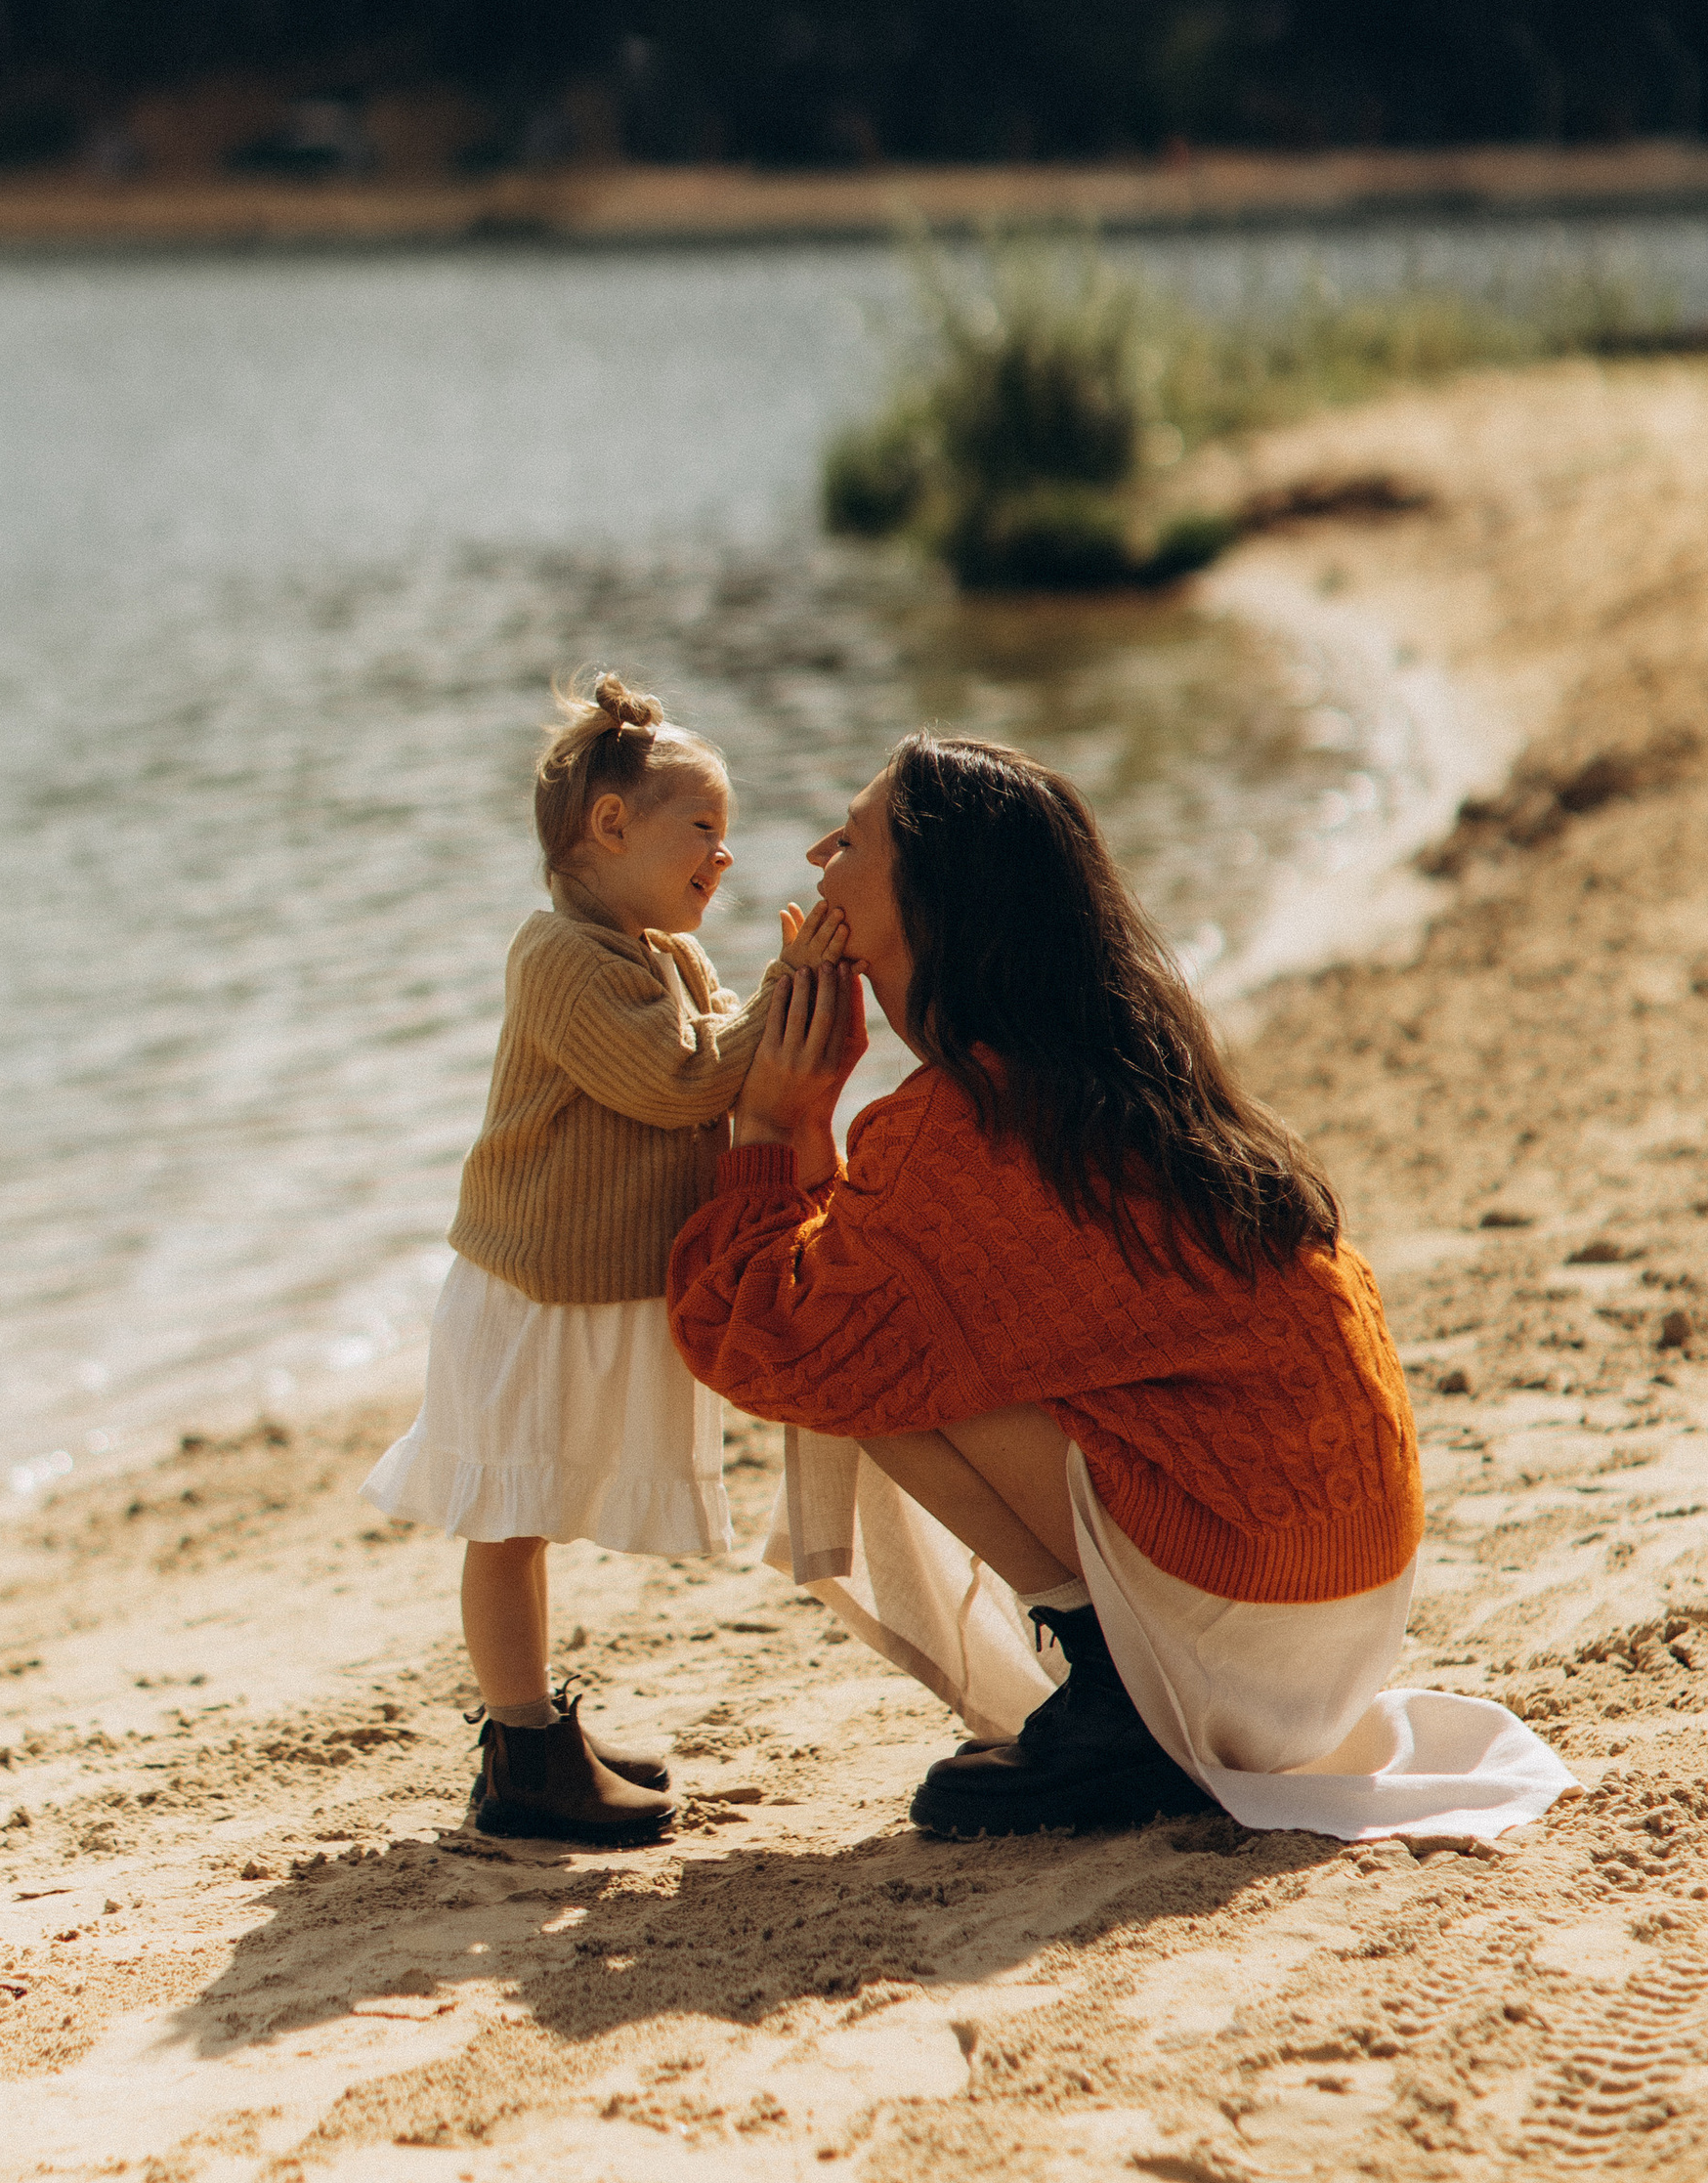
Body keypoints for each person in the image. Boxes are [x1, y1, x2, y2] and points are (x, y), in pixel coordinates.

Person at [669, 735, 1570, 1847]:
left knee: (868, 1362)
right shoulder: (1115, 1066)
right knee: (893, 1333)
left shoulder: (972, 1129)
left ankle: (1121, 1708)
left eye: (850, 839)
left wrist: (774, 1125)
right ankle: (1117, 1690)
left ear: (931, 893)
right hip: (1340, 1607)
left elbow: (770, 1342)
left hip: (1251, 1618)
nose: (815, 855)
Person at [364, 671, 815, 1845]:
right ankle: (519, 1754)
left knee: (540, 1505)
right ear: (610, 828)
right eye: (703, 827)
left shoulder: (656, 950)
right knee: (509, 1520)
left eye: (729, 832)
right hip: (528, 1293)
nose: (725, 855)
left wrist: (785, 1004)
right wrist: (794, 988)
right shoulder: (562, 958)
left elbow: (717, 1045)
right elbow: (678, 1081)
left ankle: (536, 1727)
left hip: (584, 1288)